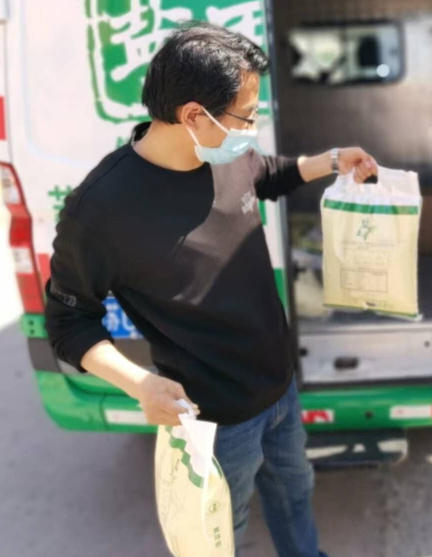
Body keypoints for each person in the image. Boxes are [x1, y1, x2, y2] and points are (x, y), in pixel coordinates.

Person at [44, 22, 378, 557]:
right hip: (214, 421)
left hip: (280, 386)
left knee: (295, 494)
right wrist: (139, 383)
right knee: (222, 531)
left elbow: (267, 174)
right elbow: (68, 323)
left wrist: (336, 161)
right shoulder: (100, 211)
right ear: (194, 115)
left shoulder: (222, 151)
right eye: (246, 115)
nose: (253, 128)